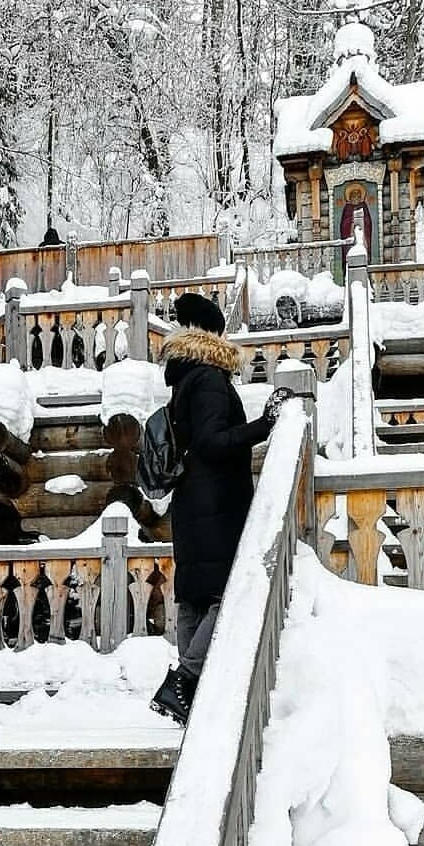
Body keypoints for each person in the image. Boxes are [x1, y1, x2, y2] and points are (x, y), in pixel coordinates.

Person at [150, 292, 294, 726]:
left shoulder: (184, 378)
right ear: (212, 334)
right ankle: (186, 680)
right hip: (216, 504)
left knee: (195, 597)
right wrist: (264, 424)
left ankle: (189, 699)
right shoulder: (211, 379)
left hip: (190, 504)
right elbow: (213, 442)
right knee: (221, 595)